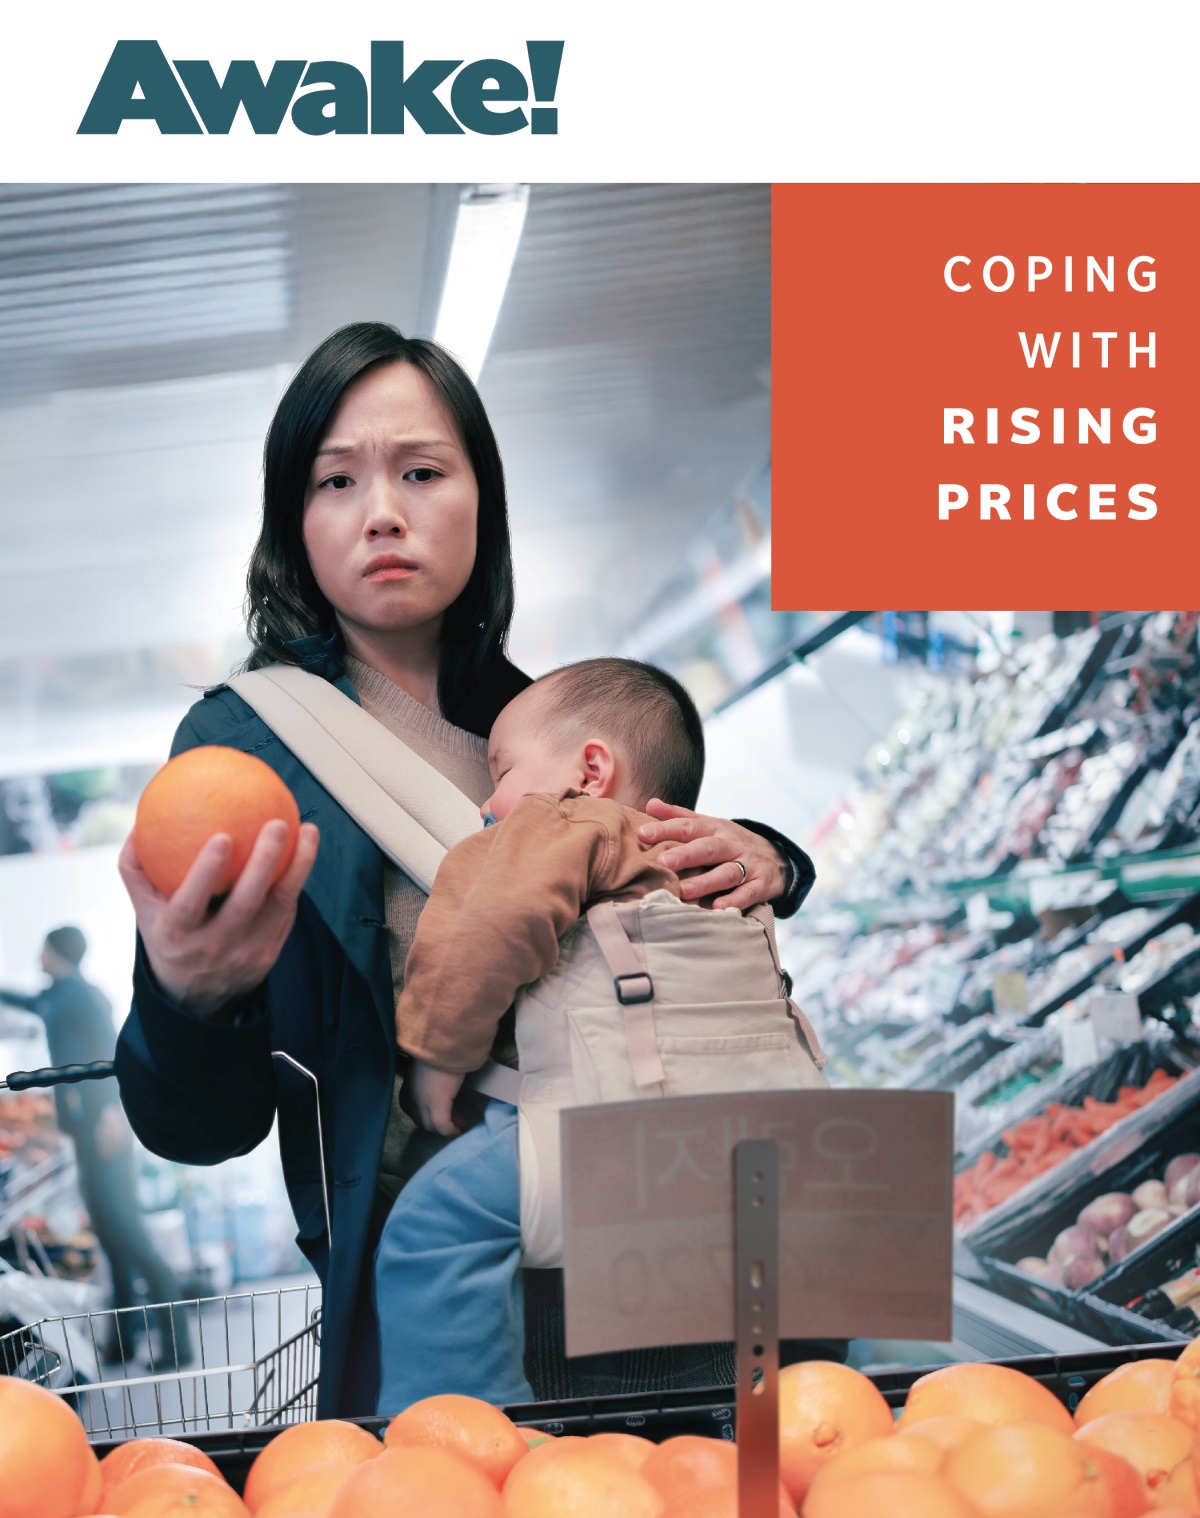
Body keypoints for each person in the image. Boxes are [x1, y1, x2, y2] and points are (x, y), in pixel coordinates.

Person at [114, 321, 816, 1418]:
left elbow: (657, 899)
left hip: (660, 1259)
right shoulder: (240, 753)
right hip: (443, 1285)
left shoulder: (550, 722)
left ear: (480, 500)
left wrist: (773, 854)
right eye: (335, 479)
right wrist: (191, 995)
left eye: (422, 471)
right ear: (294, 524)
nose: (382, 510)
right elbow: (197, 1128)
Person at [375, 658, 832, 1413]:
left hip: (614, 1127)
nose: (489, 798)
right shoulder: (710, 861)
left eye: (502, 768)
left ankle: (473, 1434)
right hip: (772, 1137)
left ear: (591, 769)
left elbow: (486, 927)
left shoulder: (564, 821)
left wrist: (438, 1055)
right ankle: (815, 1392)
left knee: (435, 1228)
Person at [0, 927, 189, 1363]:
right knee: (112, 1240)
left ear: (56, 952)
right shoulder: (59, 994)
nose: (38, 956)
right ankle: (122, 1344)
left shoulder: (84, 997)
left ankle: (177, 1344)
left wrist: (112, 1113)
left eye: (43, 948)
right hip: (85, 1134)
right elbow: (29, 1002)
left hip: (106, 1130)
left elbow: (113, 1052)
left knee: (132, 1238)